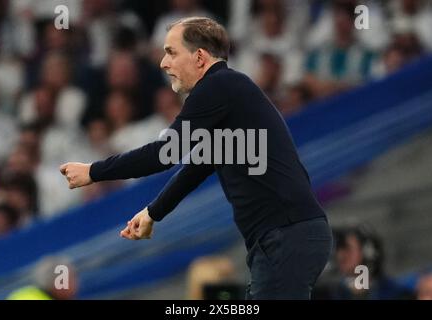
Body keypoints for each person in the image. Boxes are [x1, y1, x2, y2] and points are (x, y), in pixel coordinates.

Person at [60, 17, 332, 299]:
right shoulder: (229, 92)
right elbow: (199, 165)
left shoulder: (217, 87)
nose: (164, 63)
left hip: (284, 235)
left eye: (171, 52)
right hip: (290, 234)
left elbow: (163, 154)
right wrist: (154, 212)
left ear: (200, 57)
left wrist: (93, 171)